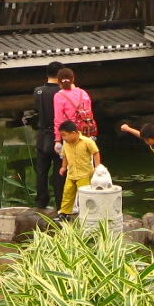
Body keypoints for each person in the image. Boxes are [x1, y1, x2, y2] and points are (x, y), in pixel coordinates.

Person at [33, 61, 64, 210]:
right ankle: (60, 203)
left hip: (43, 135)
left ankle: (41, 201)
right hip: (59, 136)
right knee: (59, 170)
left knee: (41, 170)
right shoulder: (62, 92)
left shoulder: (38, 91)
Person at [57, 120, 100, 218]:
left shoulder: (87, 141)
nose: (63, 138)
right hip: (71, 173)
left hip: (84, 173)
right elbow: (64, 155)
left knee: (84, 194)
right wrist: (63, 167)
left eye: (64, 135)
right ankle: (65, 212)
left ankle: (86, 213)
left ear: (73, 133)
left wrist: (97, 166)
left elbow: (95, 152)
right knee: (67, 192)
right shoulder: (66, 144)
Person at [53, 67, 93, 144]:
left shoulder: (59, 96)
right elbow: (89, 113)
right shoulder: (83, 92)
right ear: (73, 79)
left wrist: (57, 140)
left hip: (70, 134)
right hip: (86, 133)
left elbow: (58, 120)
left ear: (58, 81)